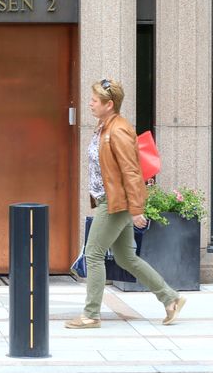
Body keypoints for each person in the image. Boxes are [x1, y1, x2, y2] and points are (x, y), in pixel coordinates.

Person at [65, 78, 186, 329]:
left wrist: (136, 209)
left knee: (93, 255)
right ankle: (170, 298)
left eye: (94, 100)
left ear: (109, 105)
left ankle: (91, 315)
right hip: (111, 199)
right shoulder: (105, 126)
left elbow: (131, 172)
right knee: (126, 258)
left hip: (115, 201)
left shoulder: (118, 130)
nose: (90, 103)